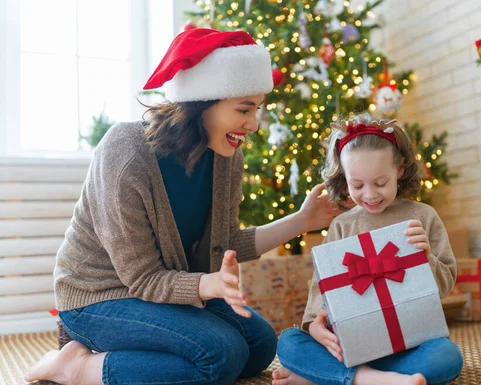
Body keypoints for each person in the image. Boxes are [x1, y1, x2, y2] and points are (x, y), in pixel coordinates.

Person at [24, 28, 340, 385]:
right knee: (222, 354)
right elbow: (143, 278)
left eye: (257, 110)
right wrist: (209, 285)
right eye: (243, 109)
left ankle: (120, 355)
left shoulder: (225, 154)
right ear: (202, 102)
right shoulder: (125, 152)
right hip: (98, 297)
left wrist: (304, 219)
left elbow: (224, 242)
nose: (253, 124)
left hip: (164, 290)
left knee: (260, 345)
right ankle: (77, 367)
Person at [273, 116, 464, 385]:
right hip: (350, 344)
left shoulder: (423, 217)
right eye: (358, 185)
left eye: (380, 182)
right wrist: (315, 324)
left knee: (447, 356)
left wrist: (425, 258)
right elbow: (323, 286)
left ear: (400, 169)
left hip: (407, 344)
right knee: (289, 343)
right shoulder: (342, 225)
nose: (370, 194)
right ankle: (374, 379)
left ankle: (328, 378)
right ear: (344, 177)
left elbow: (444, 285)